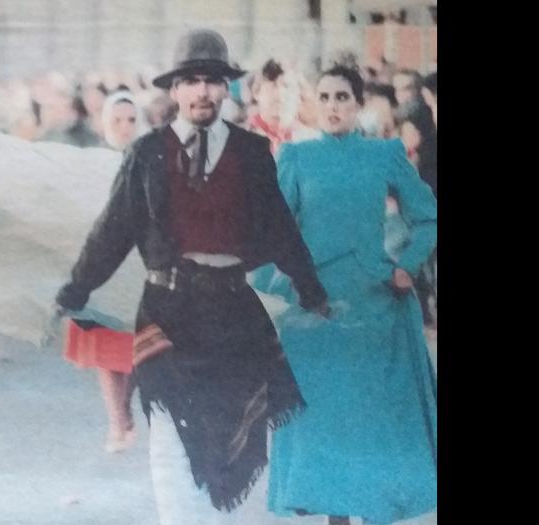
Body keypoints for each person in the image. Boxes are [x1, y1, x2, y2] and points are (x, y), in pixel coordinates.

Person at [55, 29, 328, 524]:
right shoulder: (146, 154)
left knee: (228, 436)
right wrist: (75, 290)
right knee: (169, 436)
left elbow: (280, 228)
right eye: (192, 81)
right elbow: (112, 231)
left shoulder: (250, 153)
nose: (202, 91)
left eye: (212, 81)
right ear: (175, 90)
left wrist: (311, 290)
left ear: (226, 89)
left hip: (232, 312)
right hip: (166, 311)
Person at [264, 65, 437, 525]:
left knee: (371, 427)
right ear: (314, 104)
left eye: (342, 97)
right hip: (313, 314)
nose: (333, 106)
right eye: (324, 97)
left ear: (359, 104)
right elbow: (275, 235)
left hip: (374, 309)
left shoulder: (384, 154)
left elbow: (427, 216)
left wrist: (407, 267)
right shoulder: (296, 159)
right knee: (325, 428)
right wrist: (261, 298)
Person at [63, 90, 149, 453]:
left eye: (131, 120)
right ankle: (117, 421)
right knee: (104, 346)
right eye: (118, 120)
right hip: (101, 265)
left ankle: (125, 412)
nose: (125, 127)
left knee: (134, 347)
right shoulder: (91, 162)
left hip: (139, 266)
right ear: (105, 123)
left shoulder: (148, 161)